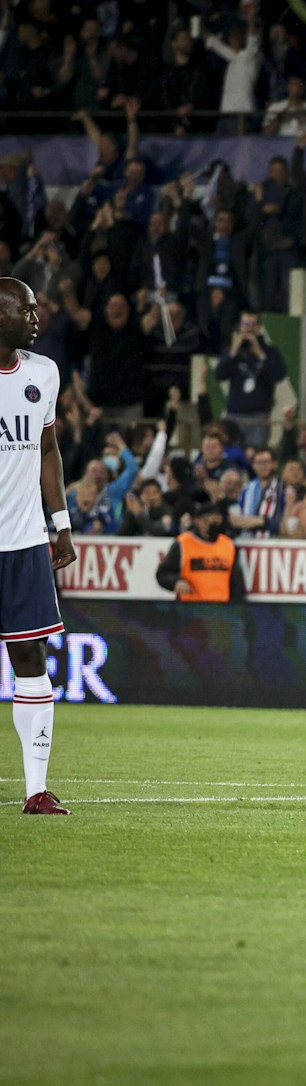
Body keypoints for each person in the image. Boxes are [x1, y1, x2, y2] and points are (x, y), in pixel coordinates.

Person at [0, 279, 76, 815]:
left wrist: (61, 524)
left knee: (31, 657)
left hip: (25, 542)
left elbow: (48, 448)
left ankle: (35, 790)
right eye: (24, 307)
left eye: (35, 307)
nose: (35, 314)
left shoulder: (43, 372)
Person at [155, 498, 243, 601]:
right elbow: (163, 574)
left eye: (218, 519)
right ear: (199, 521)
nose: (217, 523)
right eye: (212, 519)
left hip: (220, 610)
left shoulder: (228, 544)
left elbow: (236, 583)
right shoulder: (183, 543)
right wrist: (176, 582)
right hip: (191, 609)